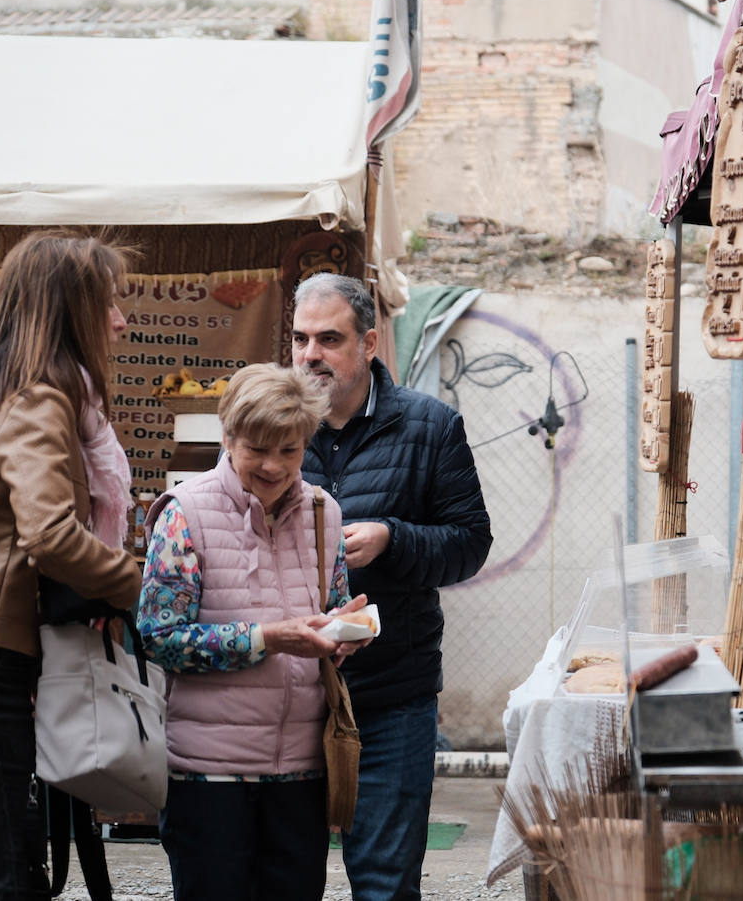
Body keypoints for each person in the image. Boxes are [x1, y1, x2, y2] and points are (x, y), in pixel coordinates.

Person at [0, 230, 143, 899]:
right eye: (109, 304)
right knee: (11, 881)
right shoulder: (41, 398)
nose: (121, 321)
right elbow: (50, 535)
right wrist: (140, 586)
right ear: (69, 308)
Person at [136, 363, 372, 901]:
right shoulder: (184, 515)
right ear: (228, 437)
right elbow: (158, 636)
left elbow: (329, 610)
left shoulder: (323, 514)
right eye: (256, 449)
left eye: (289, 451)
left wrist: (344, 631)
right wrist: (268, 638)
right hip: (207, 776)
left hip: (302, 774)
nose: (273, 465)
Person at [291, 273, 492, 900]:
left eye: (329, 338)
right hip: (288, 693)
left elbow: (469, 545)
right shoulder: (271, 428)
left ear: (369, 342)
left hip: (390, 698)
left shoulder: (431, 428)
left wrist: (394, 539)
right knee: (284, 879)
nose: (310, 355)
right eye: (299, 339)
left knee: (383, 882)